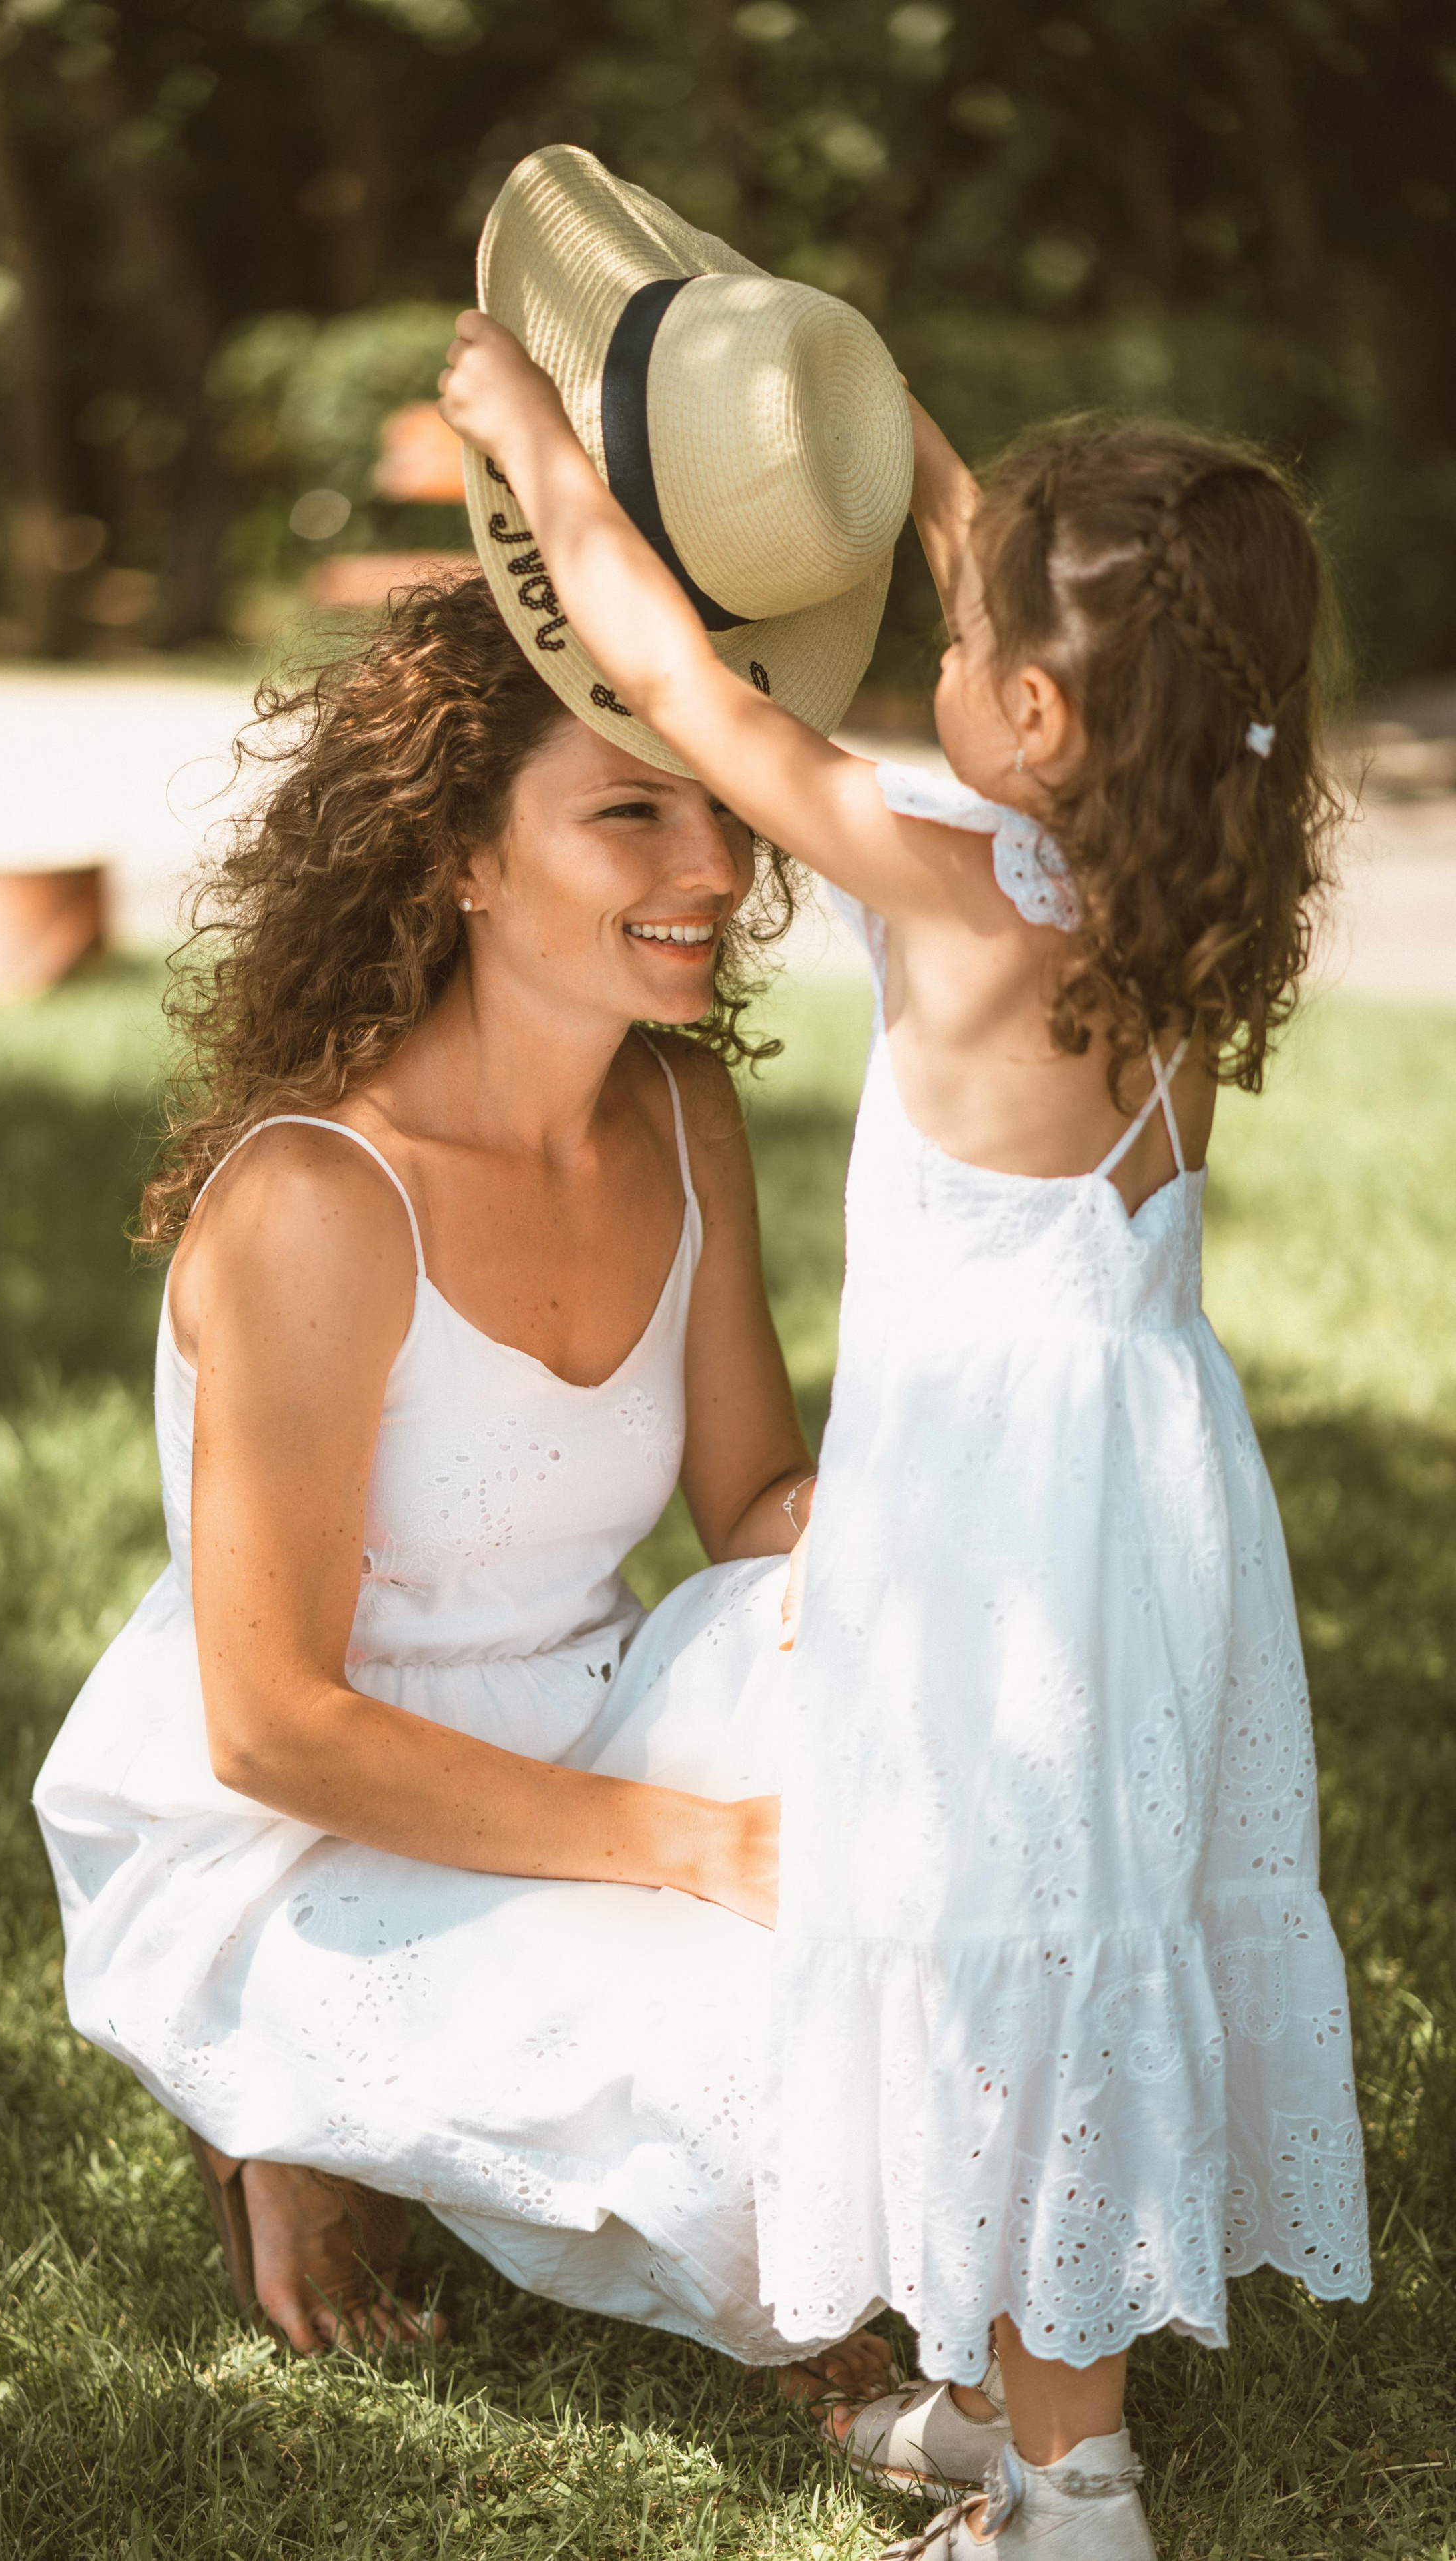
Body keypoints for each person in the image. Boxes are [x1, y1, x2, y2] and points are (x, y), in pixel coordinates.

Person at [438, 150, 1371, 2556]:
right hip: (1137, 1504)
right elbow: (997, 555)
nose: (927, 649)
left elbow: (671, 683)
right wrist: (854, 415)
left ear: (1041, 712)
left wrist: (530, 444)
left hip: (993, 1550)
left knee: (1011, 1953)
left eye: (971, 645)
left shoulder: (958, 899)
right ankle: (994, 2386)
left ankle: (1076, 2487)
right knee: (1056, 1912)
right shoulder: (1166, 889)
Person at [32, 569, 897, 2411]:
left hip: (592, 1728)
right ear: (464, 864)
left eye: (721, 809)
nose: (717, 869)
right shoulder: (317, 1206)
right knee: (775, 2089)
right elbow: (270, 1729)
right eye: (631, 811)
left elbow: (756, 1510)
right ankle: (275, 2110)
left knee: (939, 1795)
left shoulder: (682, 1115)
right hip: (303, 1837)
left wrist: (967, 1561)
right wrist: (703, 1855)